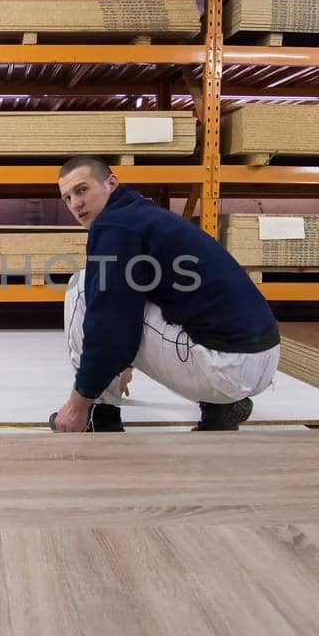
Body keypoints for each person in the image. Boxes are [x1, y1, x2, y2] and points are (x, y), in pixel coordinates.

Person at [49, 156, 280, 433]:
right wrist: (122, 363)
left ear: (111, 183)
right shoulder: (142, 215)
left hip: (226, 367)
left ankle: (97, 415)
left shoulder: (114, 227)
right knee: (116, 299)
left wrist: (78, 404)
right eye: (67, 198)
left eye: (82, 190)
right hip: (263, 359)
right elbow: (136, 297)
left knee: (82, 287)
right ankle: (222, 407)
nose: (75, 204)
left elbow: (109, 327)